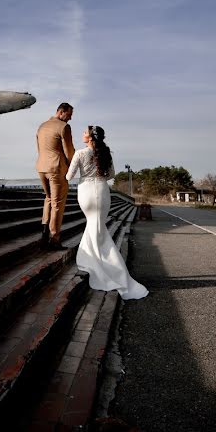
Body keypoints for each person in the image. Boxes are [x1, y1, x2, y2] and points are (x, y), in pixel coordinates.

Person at [66, 125, 147, 300]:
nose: (82, 134)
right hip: (102, 190)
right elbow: (111, 175)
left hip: (86, 191)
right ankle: (97, 261)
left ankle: (100, 264)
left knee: (93, 224)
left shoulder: (80, 153)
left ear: (90, 138)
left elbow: (68, 177)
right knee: (98, 226)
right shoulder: (105, 153)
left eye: (85, 133)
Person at [36, 102, 75, 250]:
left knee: (48, 199)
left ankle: (44, 234)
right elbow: (69, 151)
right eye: (69, 115)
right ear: (61, 111)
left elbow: (39, 148)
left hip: (41, 167)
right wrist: (72, 167)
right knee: (57, 204)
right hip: (56, 168)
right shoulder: (64, 127)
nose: (70, 118)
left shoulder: (42, 126)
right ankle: (54, 239)